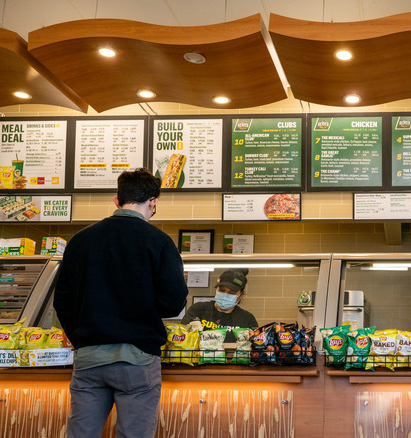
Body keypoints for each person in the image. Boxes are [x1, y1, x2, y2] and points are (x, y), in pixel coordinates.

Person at [54, 168, 188, 438]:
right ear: (153, 202)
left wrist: (82, 338)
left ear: (117, 199)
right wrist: (144, 309)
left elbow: (62, 301)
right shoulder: (159, 242)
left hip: (89, 358)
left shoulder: (80, 241)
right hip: (137, 361)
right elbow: (173, 303)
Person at [181, 269, 258, 342]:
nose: (225, 295)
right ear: (216, 289)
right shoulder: (198, 309)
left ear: (241, 295)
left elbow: (257, 346)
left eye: (231, 293)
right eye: (222, 290)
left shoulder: (247, 318)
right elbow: (182, 336)